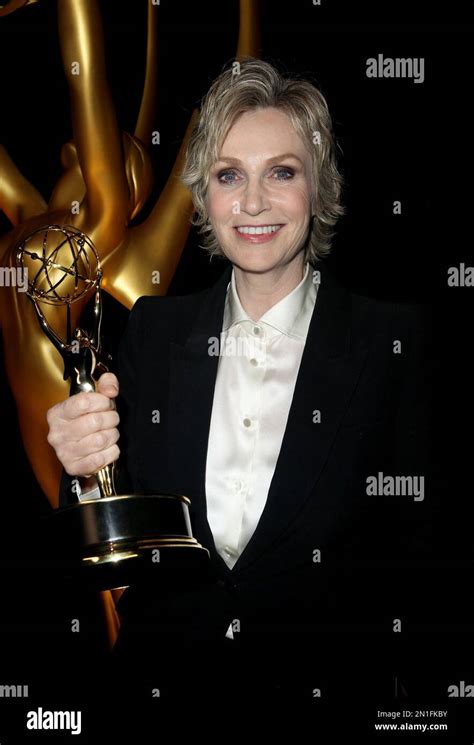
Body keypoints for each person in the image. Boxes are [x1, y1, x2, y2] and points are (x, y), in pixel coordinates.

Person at [46, 58, 436, 707]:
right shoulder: (153, 331)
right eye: (230, 175)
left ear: (320, 186)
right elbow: (104, 523)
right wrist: (82, 466)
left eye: (281, 172)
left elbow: (427, 566)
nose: (253, 202)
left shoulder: (393, 343)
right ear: (204, 194)